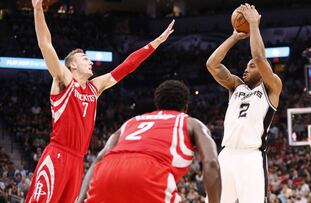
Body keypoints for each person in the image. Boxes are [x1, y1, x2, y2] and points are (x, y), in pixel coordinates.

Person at [26, 0, 175, 202]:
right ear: (72, 66)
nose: (89, 61)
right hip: (57, 156)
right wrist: (37, 8)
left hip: (78, 162)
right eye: (84, 58)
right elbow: (45, 44)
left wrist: (154, 43)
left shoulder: (95, 87)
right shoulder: (63, 79)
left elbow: (127, 66)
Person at [76, 80, 221, 203]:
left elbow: (99, 159)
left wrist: (79, 199)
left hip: (105, 173)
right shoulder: (191, 123)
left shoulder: (131, 122)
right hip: (148, 172)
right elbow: (212, 162)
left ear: (157, 105)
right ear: (186, 107)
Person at [206, 4, 282, 203]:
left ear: (264, 69)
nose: (245, 70)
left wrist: (254, 25)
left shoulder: (272, 87)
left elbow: (258, 57)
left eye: (251, 67)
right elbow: (212, 65)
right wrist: (234, 37)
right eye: (246, 66)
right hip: (226, 154)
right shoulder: (236, 86)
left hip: (251, 158)